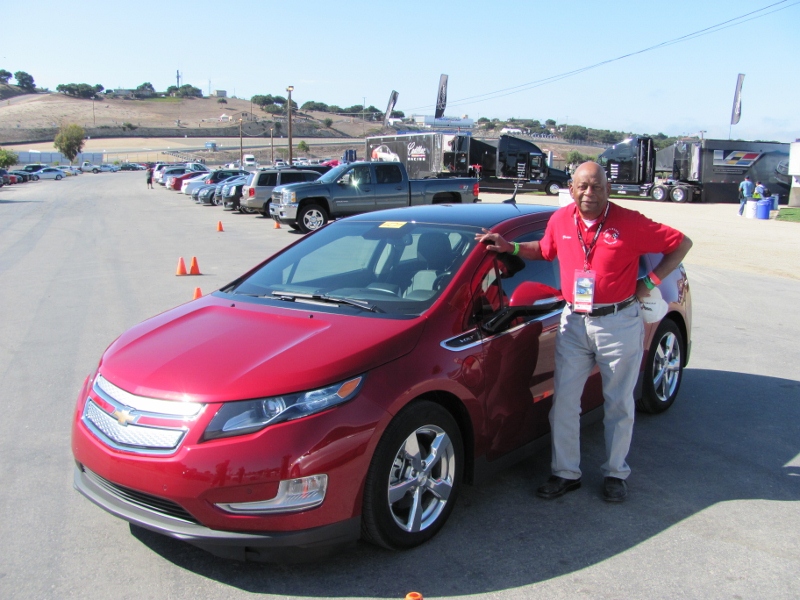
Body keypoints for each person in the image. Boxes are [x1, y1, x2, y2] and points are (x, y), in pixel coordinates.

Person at [476, 162, 692, 502]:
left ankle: (615, 473)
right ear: (571, 188)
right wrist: (511, 247)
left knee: (618, 402)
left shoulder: (630, 221)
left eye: (596, 187)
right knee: (563, 402)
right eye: (582, 186)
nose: (589, 193)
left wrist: (648, 281)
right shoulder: (561, 219)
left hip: (617, 321)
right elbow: (544, 250)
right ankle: (565, 473)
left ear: (607, 189)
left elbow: (681, 243)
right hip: (574, 321)